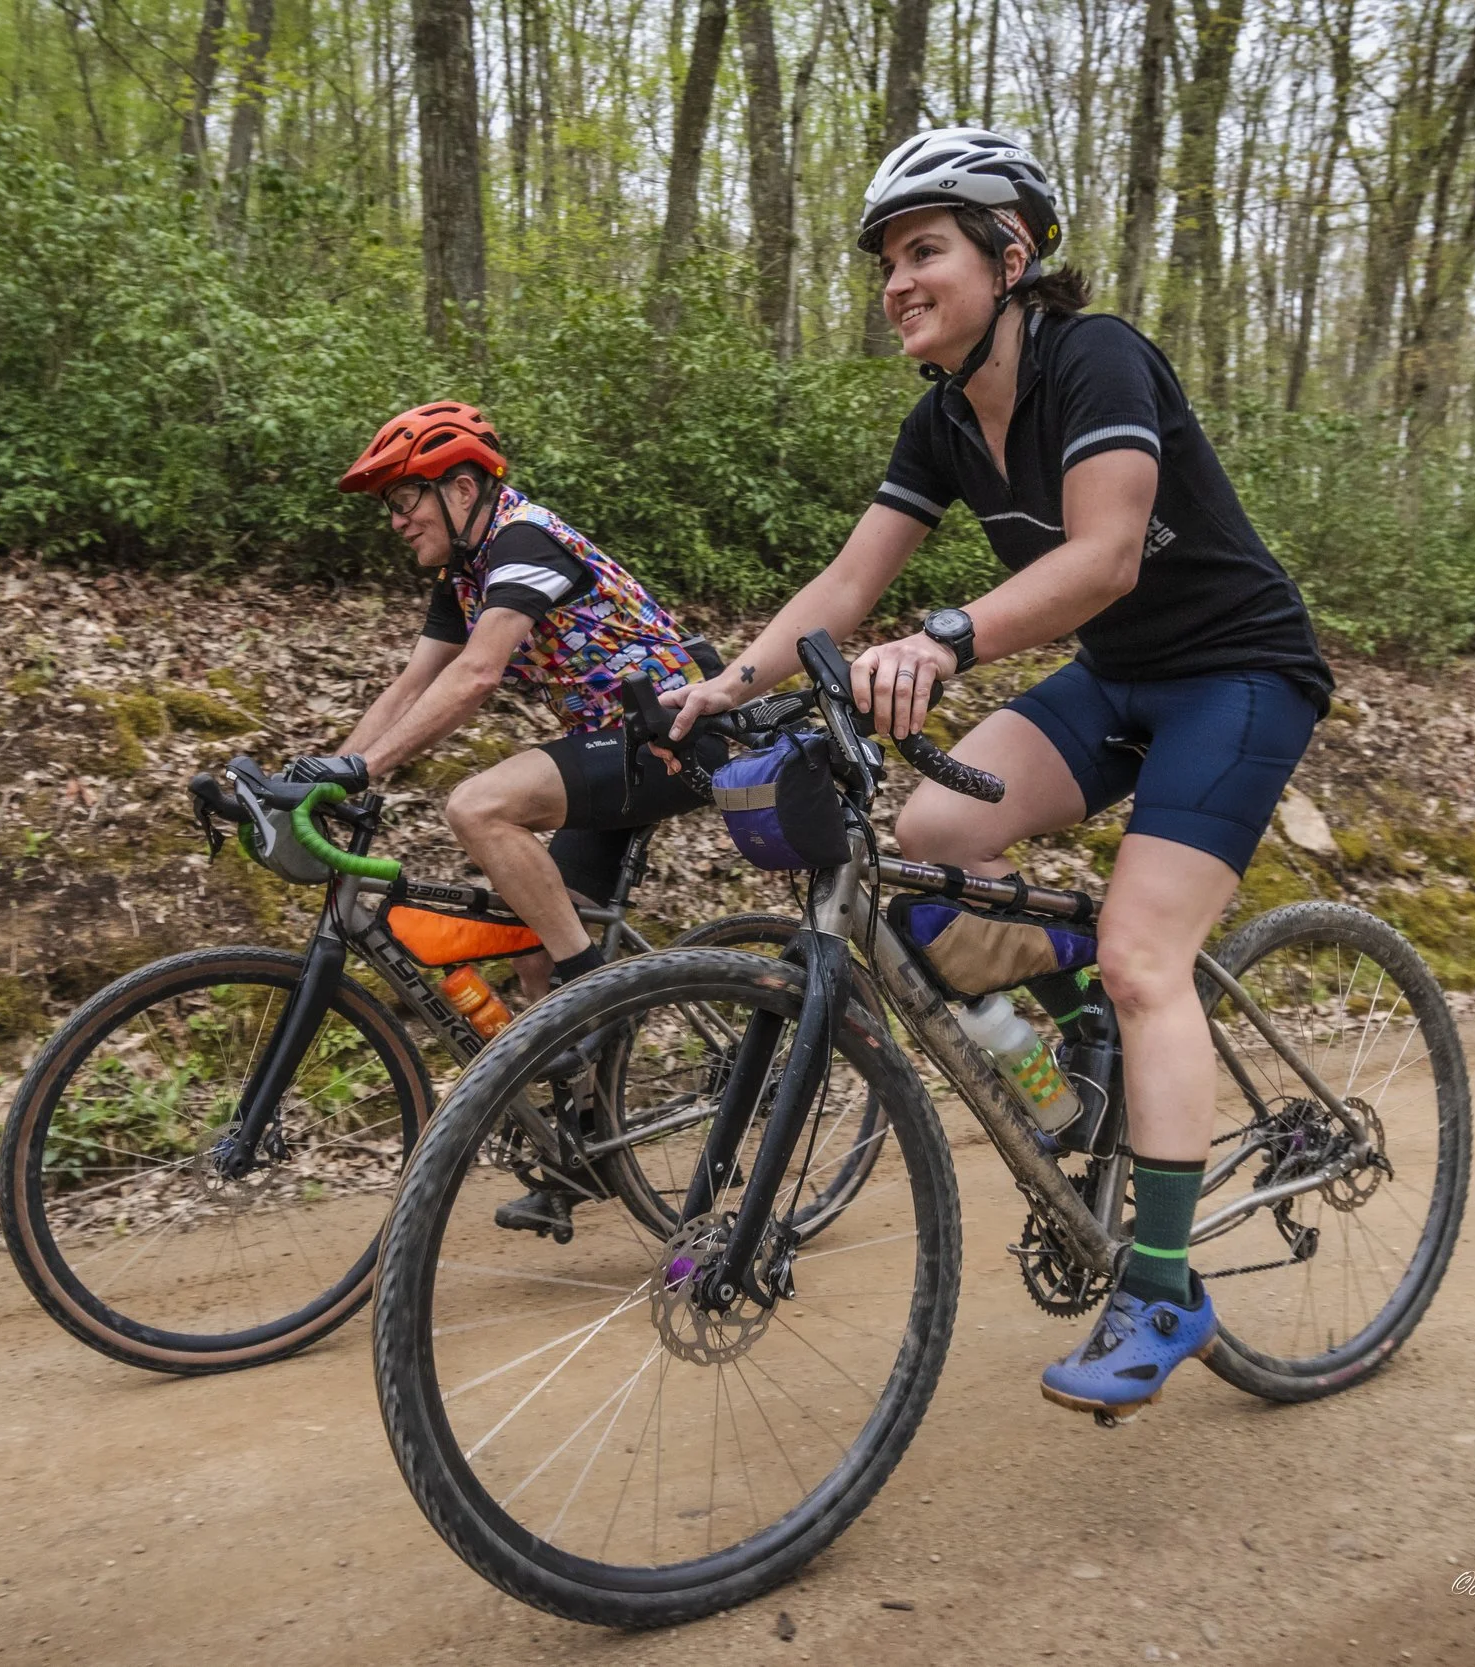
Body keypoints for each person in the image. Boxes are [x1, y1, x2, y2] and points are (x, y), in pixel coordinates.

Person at [662, 130, 1335, 1423]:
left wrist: (947, 638)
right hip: (1122, 679)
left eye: (925, 251)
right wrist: (719, 687)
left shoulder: (1097, 356)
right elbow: (848, 587)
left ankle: (1160, 1287)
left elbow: (1109, 555)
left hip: (1238, 675)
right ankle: (1071, 1044)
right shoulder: (942, 418)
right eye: (886, 262)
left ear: (1009, 256)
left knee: (1147, 954)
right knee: (924, 843)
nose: (897, 281)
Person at [290, 401, 723, 1233]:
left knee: (478, 805)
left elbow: (479, 676)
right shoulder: (468, 570)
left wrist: (369, 768)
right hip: (617, 742)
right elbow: (409, 686)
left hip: (678, 734)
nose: (395, 519)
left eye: (404, 497)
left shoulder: (525, 541)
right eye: (388, 504)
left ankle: (586, 1005)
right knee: (532, 953)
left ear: (461, 486)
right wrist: (324, 779)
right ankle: (581, 1154)